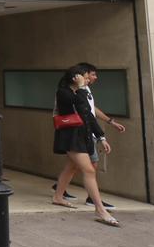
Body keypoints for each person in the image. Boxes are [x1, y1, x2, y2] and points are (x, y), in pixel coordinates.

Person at [50, 63, 127, 211]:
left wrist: (101, 137)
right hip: (71, 137)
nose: (88, 81)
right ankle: (99, 207)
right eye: (85, 78)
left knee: (72, 167)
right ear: (76, 78)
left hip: (83, 135)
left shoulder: (82, 91)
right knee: (89, 169)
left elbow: (89, 116)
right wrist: (80, 88)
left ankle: (58, 195)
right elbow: (78, 103)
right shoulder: (64, 92)